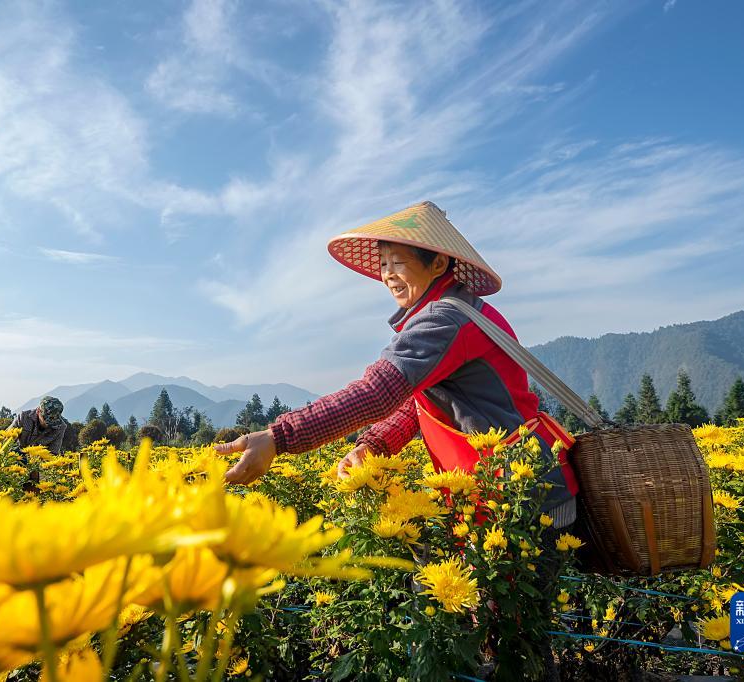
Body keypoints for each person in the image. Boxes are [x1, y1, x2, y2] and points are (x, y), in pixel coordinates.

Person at [214, 200, 579, 679]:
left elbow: (380, 390)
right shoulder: (453, 312)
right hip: (497, 496)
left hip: (522, 500)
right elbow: (415, 403)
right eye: (382, 263)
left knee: (513, 639)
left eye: (397, 262)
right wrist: (373, 446)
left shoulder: (445, 319)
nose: (387, 274)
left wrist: (280, 437)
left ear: (439, 263)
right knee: (480, 623)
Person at [10, 396, 68, 489]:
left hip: (38, 462)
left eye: (53, 420)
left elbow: (53, 453)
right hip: (17, 457)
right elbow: (6, 439)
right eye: (46, 419)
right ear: (38, 411)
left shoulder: (60, 427)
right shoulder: (24, 417)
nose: (48, 424)